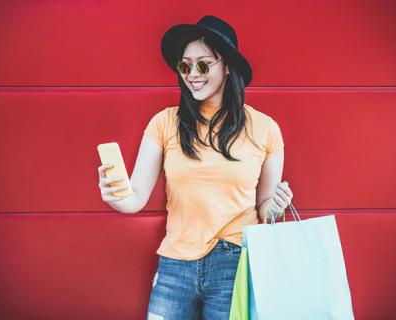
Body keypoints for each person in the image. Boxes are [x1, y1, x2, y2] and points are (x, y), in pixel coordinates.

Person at [97, 15, 293, 320]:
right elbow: (135, 197)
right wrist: (115, 195)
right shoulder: (164, 123)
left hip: (234, 265)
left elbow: (266, 208)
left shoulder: (265, 129)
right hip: (175, 265)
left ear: (227, 66)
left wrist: (277, 206)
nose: (192, 74)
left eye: (203, 64)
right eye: (185, 66)